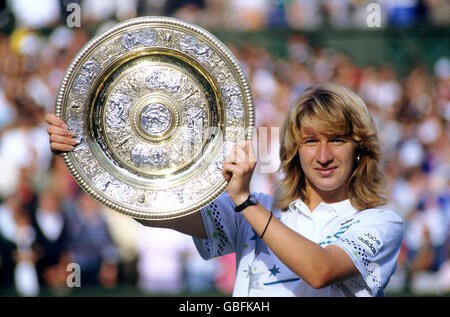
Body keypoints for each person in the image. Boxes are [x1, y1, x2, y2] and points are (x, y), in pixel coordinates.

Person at [45, 82, 403, 296]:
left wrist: (245, 202)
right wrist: (87, 150)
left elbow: (319, 270)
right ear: (295, 150)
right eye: (310, 141)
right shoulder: (259, 208)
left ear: (361, 149)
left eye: (337, 140)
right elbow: (153, 213)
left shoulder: (380, 223)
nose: (323, 155)